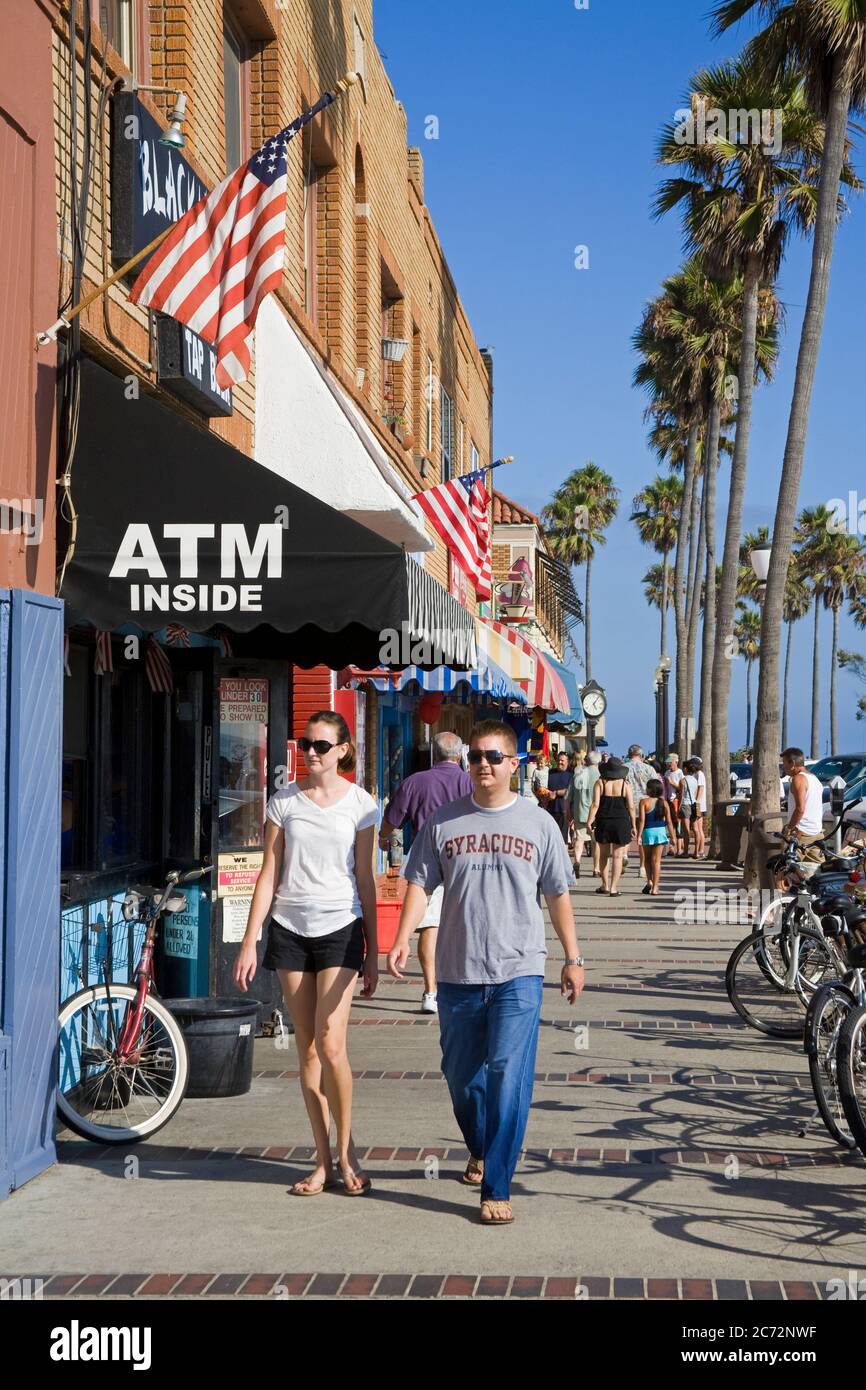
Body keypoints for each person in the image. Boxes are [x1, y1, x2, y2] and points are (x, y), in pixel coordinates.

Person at [387, 719, 584, 1226]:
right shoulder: (444, 822)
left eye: (493, 757)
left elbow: (558, 894)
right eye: (475, 756)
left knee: (507, 1075)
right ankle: (480, 1145)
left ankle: (497, 1182)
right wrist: (401, 938)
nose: (482, 765)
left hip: (519, 968)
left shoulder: (539, 823)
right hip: (457, 969)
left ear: (513, 764)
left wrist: (573, 957)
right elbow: (419, 883)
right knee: (460, 1075)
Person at [234, 710, 378, 1197]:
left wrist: (373, 950)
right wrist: (250, 939)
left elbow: (365, 879)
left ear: (342, 750)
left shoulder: (361, 805)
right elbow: (268, 874)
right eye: (305, 745)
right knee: (307, 1049)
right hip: (290, 928)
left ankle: (346, 1151)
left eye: (320, 745)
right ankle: (321, 1159)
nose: (310, 753)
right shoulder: (283, 802)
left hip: (340, 926)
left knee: (332, 1044)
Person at [377, 730, 472, 1014]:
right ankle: (461, 984)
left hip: (426, 861)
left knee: (429, 926)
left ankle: (431, 991)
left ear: (434, 754)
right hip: (465, 860)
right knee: (464, 924)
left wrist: (383, 839)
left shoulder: (414, 782)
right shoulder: (471, 782)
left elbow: (391, 820)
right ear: (460, 755)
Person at [586, 757, 636, 896]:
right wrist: (634, 824)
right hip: (621, 821)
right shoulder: (625, 785)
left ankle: (605, 885)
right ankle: (614, 888)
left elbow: (595, 804)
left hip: (603, 820)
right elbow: (631, 806)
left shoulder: (600, 783)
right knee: (618, 856)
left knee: (603, 855)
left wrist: (589, 821)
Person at [782, 747, 825, 866]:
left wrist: (789, 828)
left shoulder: (798, 779)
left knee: (785, 872)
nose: (783, 767)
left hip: (800, 834)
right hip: (816, 832)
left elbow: (800, 808)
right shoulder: (814, 779)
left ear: (793, 763)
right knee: (816, 873)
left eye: (785, 763)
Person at [637, 778, 676, 896]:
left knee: (647, 859)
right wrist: (673, 837)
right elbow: (669, 821)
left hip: (648, 832)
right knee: (657, 861)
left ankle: (649, 881)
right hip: (660, 832)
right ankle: (655, 887)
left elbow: (642, 821)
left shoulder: (644, 802)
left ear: (650, 789)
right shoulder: (663, 803)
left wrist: (639, 835)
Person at [568, 750, 601, 877]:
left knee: (579, 840)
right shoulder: (601, 776)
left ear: (587, 761)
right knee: (596, 842)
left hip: (580, 812)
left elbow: (568, 796)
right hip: (596, 814)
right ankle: (596, 868)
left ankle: (577, 861)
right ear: (598, 761)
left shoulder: (578, 774)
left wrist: (568, 812)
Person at [626, 744, 654, 878]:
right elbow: (656, 787)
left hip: (627, 804)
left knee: (625, 833)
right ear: (641, 756)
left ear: (628, 755)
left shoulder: (623, 769)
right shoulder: (649, 769)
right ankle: (642, 866)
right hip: (646, 805)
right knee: (642, 837)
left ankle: (624, 855)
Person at [546, 750, 573, 842]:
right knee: (551, 838)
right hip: (550, 809)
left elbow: (570, 791)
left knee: (562, 838)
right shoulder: (550, 772)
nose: (560, 762)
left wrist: (556, 793)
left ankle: (562, 856)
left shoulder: (571, 774)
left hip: (564, 811)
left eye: (562, 760)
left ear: (567, 762)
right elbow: (544, 787)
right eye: (559, 760)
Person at [679, 759, 702, 858]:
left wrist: (679, 807)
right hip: (694, 804)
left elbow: (681, 795)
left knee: (686, 830)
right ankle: (696, 852)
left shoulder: (683, 780)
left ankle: (685, 852)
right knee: (696, 829)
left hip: (685, 804)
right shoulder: (695, 780)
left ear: (685, 768)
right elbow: (695, 793)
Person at [664, 754, 685, 856]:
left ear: (676, 762)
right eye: (668, 763)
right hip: (668, 799)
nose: (669, 765)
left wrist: (671, 782)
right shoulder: (667, 772)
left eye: (670, 763)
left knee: (677, 823)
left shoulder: (680, 773)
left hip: (676, 800)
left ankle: (679, 848)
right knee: (669, 823)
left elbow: (681, 788)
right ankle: (671, 847)